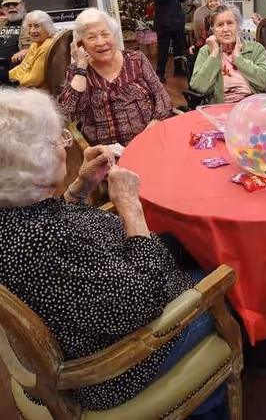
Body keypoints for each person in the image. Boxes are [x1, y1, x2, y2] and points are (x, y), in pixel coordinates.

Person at [0, 87, 227, 415]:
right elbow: (143, 304)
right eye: (57, 140)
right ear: (34, 166)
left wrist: (80, 189)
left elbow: (55, 225)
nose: (65, 145)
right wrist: (130, 207)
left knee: (182, 241)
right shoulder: (45, 242)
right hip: (113, 366)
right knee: (221, 276)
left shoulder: (18, 213)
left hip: (92, 310)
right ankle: (210, 402)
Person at [58, 8, 172, 147]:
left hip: (149, 142)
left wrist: (152, 128)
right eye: (91, 37)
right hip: (107, 155)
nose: (100, 42)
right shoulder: (78, 71)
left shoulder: (136, 59)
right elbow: (67, 110)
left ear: (114, 36)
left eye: (105, 34)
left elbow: (161, 96)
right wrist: (81, 67)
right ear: (81, 44)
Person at [190, 4, 266, 104]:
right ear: (213, 30)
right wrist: (214, 54)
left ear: (238, 26)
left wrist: (238, 58)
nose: (225, 29)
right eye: (220, 25)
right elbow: (199, 87)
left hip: (254, 106)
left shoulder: (255, 49)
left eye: (230, 23)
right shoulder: (206, 51)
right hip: (221, 109)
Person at [153, 0, 186, 82]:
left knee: (179, 47)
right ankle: (160, 73)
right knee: (163, 49)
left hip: (177, 21)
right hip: (164, 22)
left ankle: (178, 69)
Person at [9, 10, 56, 89]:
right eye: (29, 26)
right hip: (23, 86)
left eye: (37, 26)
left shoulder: (46, 46)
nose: (32, 30)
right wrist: (6, 77)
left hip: (36, 91)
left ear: (47, 28)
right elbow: (21, 68)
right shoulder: (35, 44)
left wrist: (11, 85)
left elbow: (34, 80)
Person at [0, 0, 29, 83]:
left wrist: (26, 50)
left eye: (15, 4)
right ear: (2, 9)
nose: (11, 8)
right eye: (7, 5)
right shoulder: (1, 23)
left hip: (17, 67)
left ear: (23, 5)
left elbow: (46, 42)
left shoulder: (32, 22)